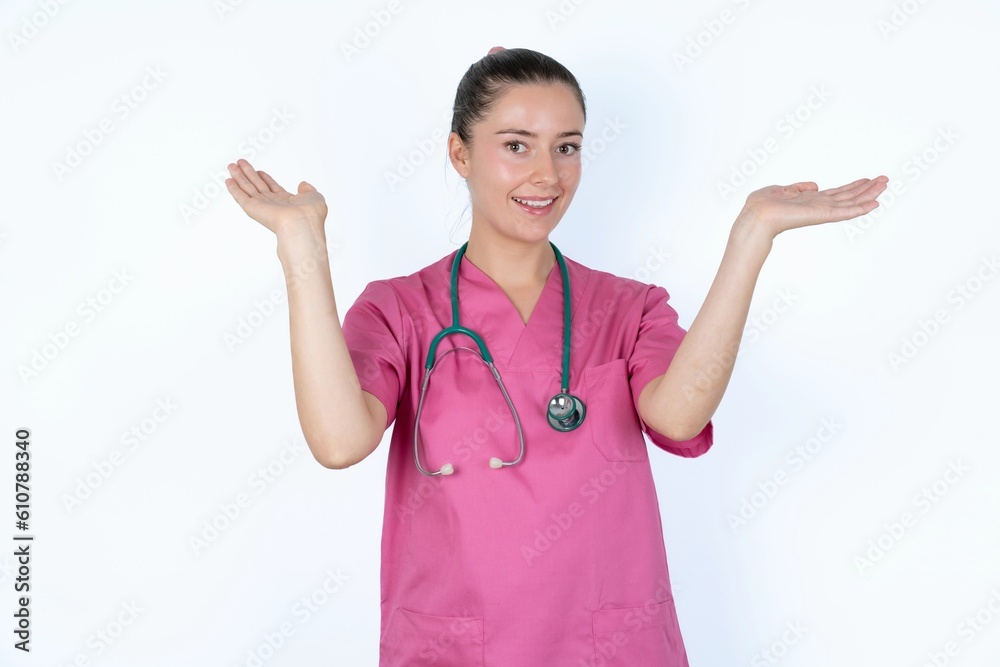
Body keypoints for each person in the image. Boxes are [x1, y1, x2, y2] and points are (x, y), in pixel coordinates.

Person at [225, 46, 887, 666]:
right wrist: (301, 245)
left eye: (566, 147)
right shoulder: (400, 310)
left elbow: (680, 415)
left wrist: (752, 237)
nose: (547, 174)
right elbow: (339, 441)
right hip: (456, 645)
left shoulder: (630, 309)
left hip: (608, 644)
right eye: (517, 146)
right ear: (460, 153)